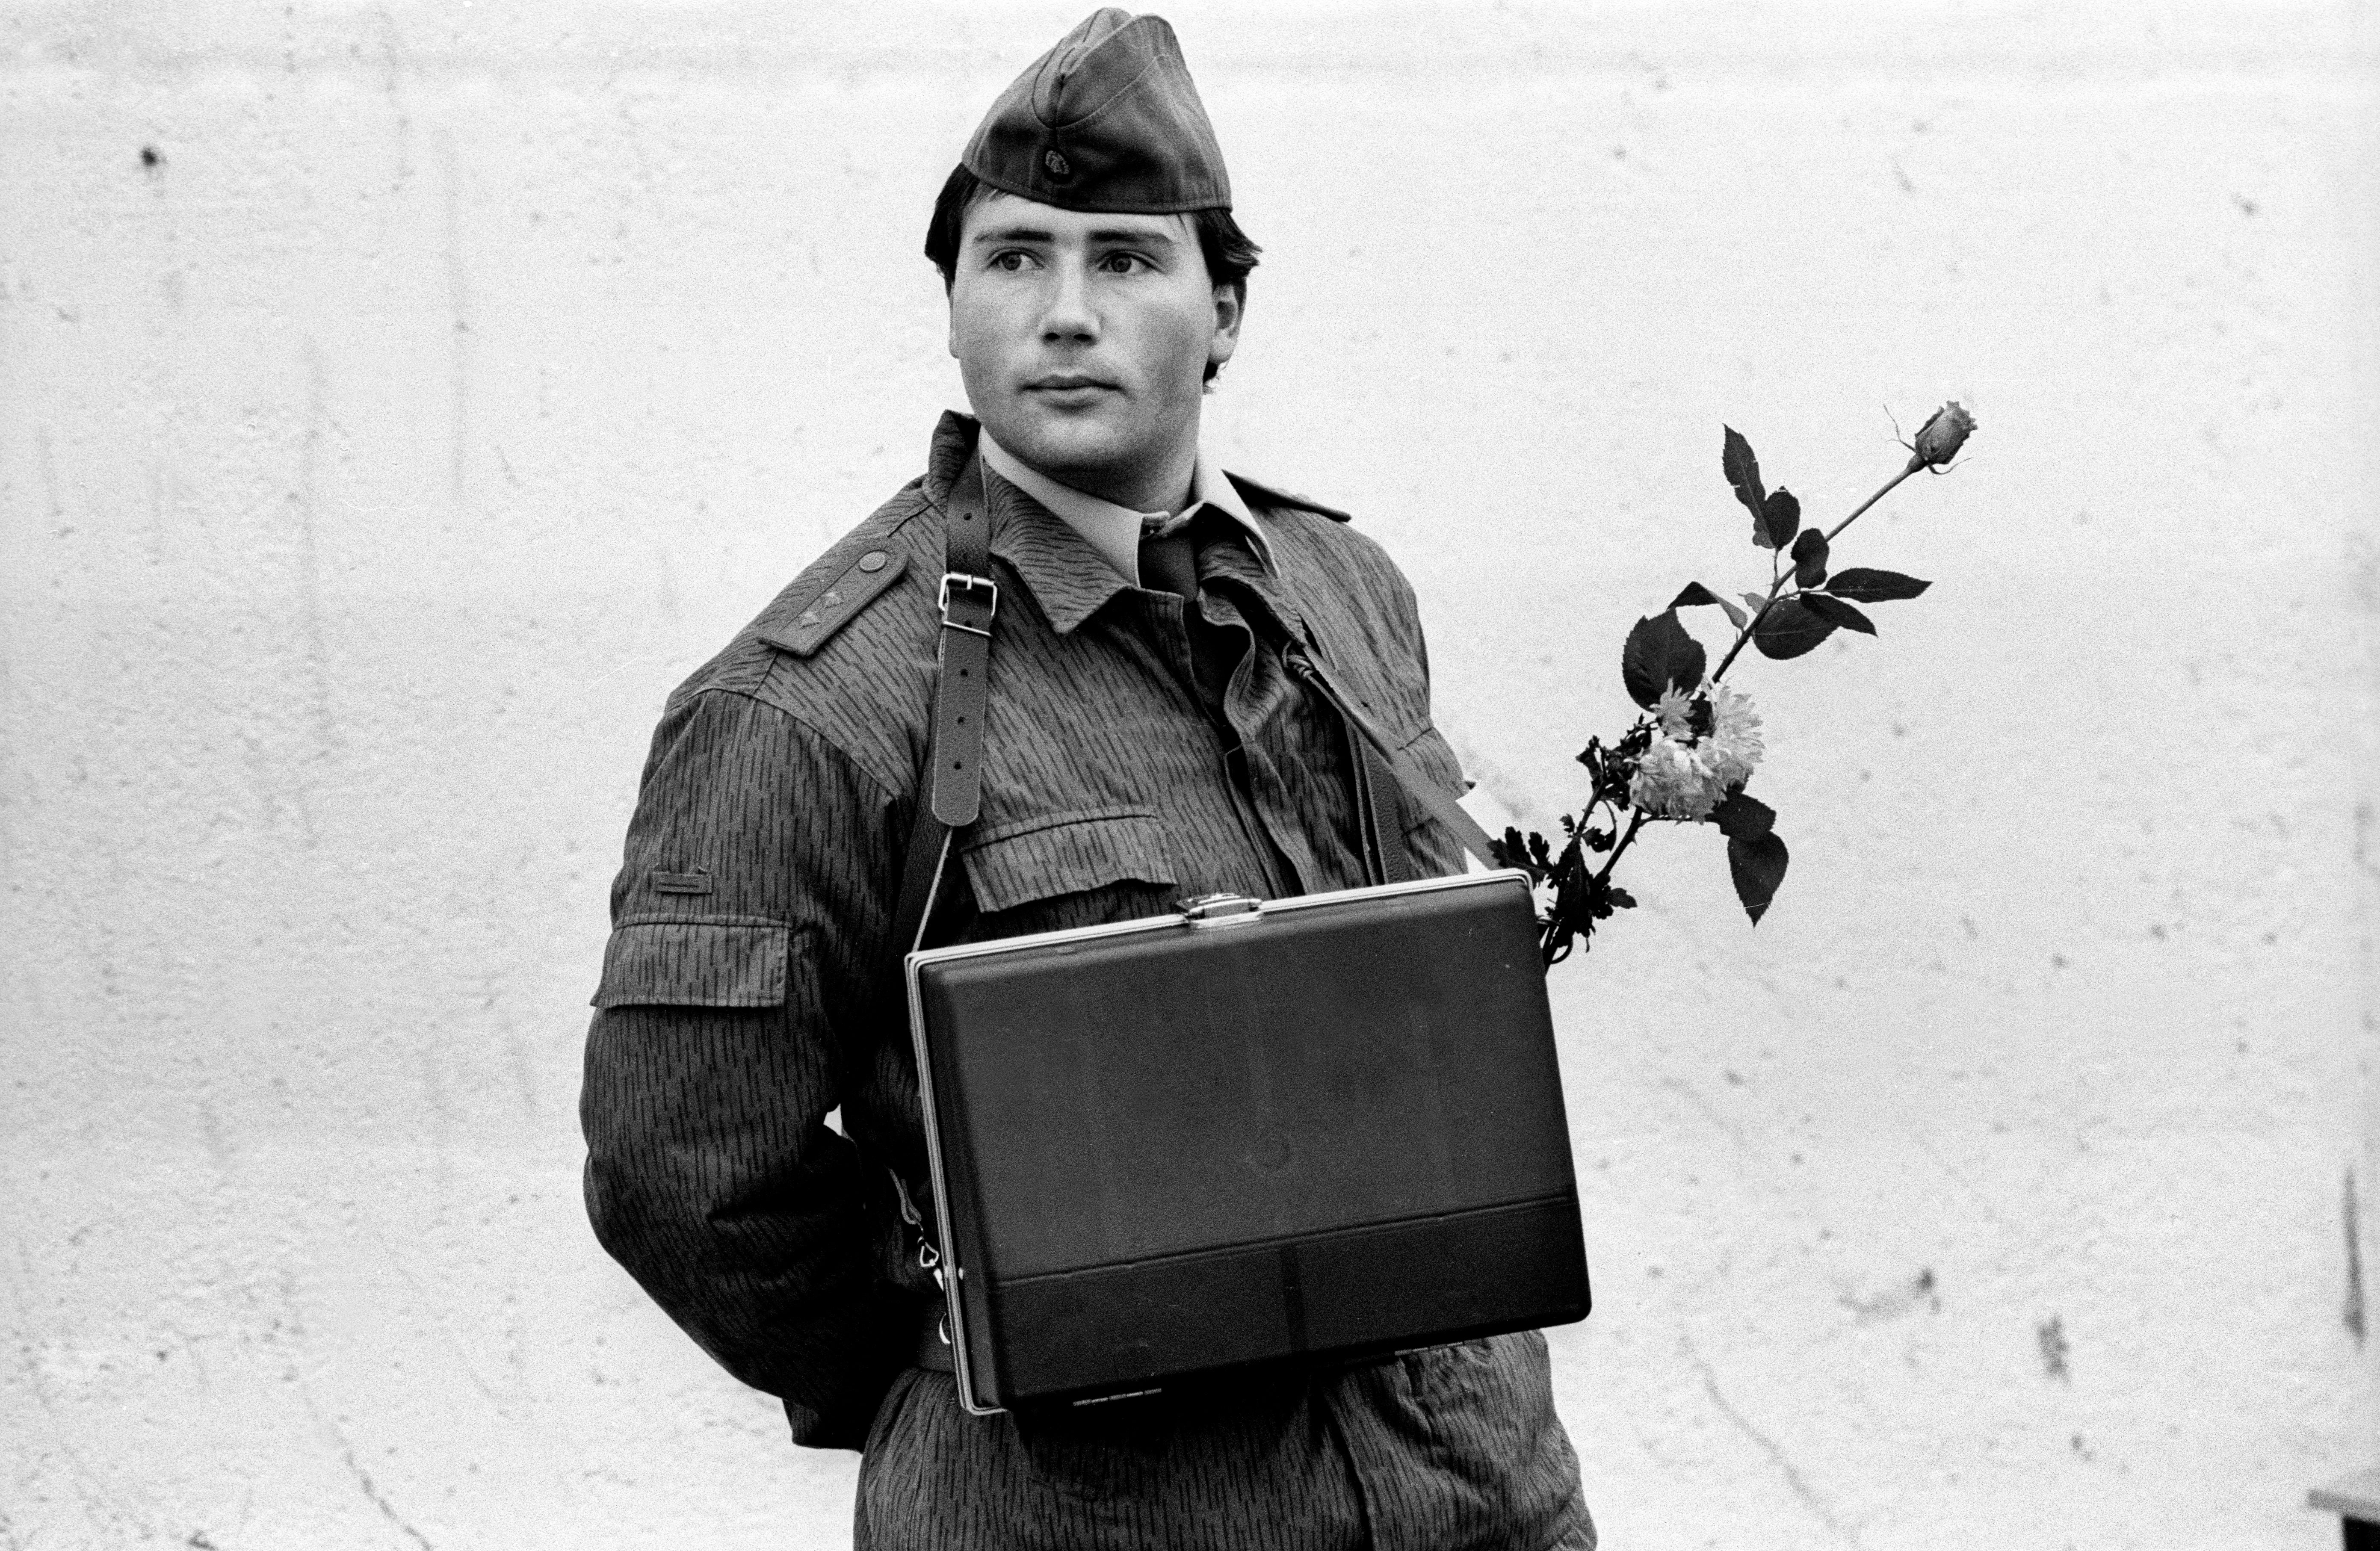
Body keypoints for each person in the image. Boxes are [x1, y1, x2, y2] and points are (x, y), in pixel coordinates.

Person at [579, 10, 1593, 1548]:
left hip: (1480, 1493)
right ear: (952, 306)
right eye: (1014, 257)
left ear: (1227, 309)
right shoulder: (809, 705)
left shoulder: (1345, 592)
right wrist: (975, 1353)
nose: (1065, 313)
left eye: (1124, 258)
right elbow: (681, 1169)